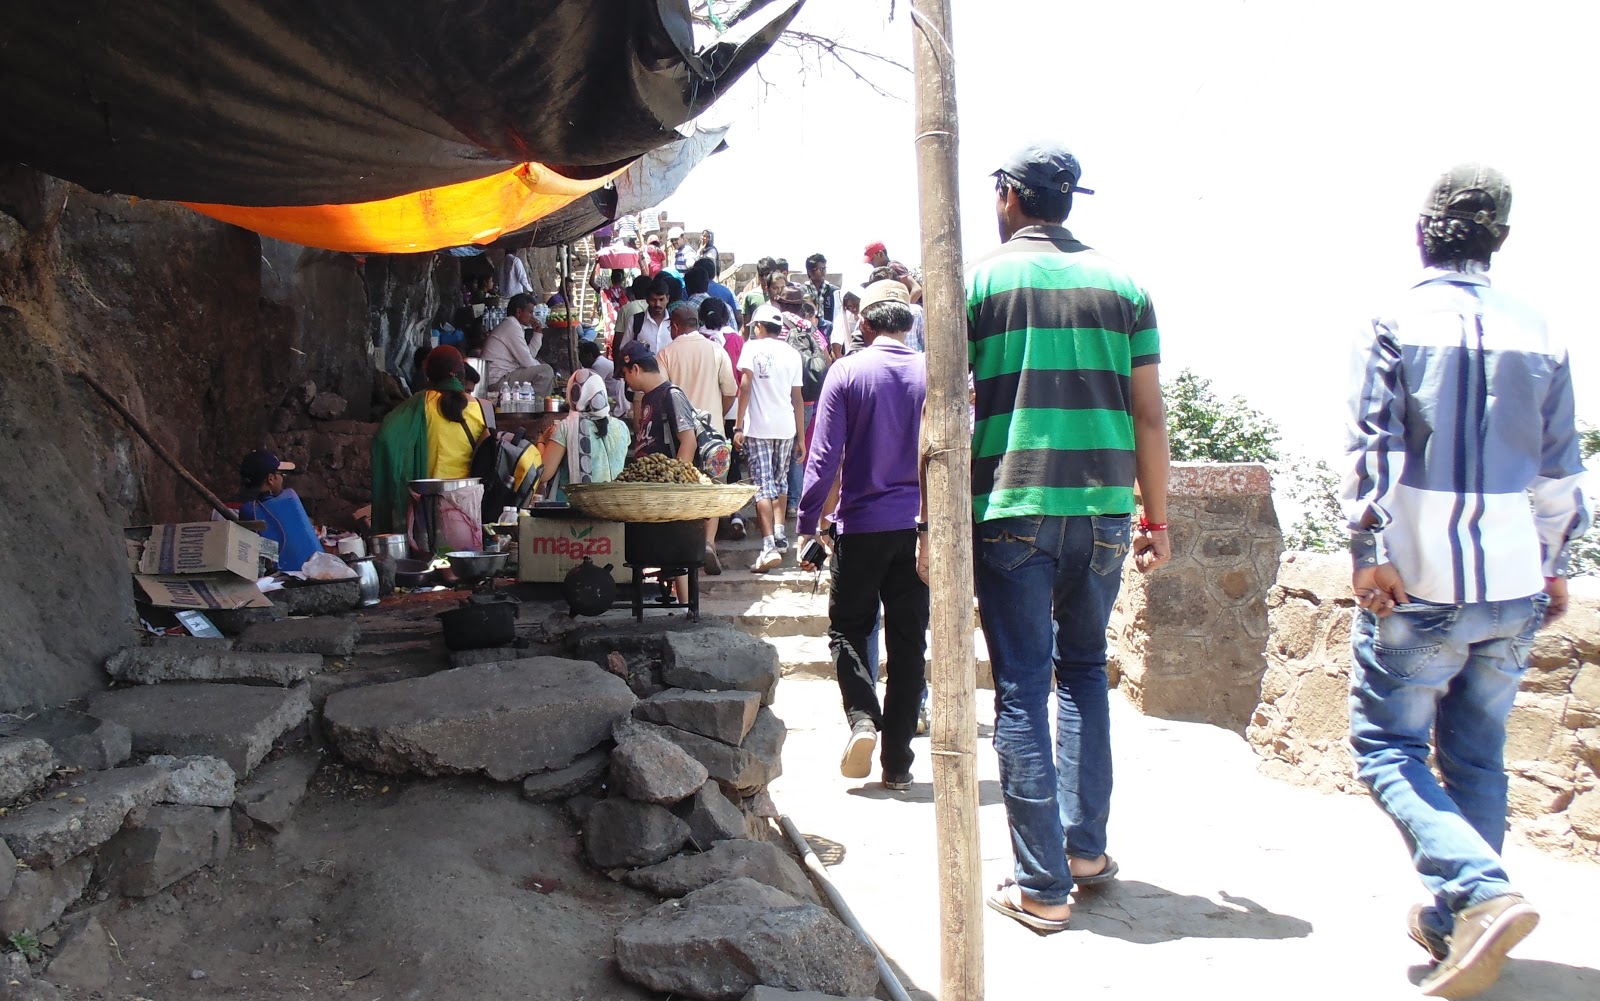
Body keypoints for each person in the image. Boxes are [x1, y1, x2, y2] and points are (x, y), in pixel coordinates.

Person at [1342, 165, 1589, 999]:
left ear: (1424, 229)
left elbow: (1373, 446)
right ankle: (1459, 924)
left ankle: (1480, 893)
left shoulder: (1395, 317)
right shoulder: (1541, 329)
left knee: (1386, 746)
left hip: (1420, 575)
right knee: (1479, 753)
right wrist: (1555, 562)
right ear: (1501, 239)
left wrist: (1365, 546)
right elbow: (1560, 469)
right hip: (1514, 572)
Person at [964, 142, 1170, 934]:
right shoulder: (1126, 286)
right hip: (1106, 513)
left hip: (1014, 507)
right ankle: (1084, 853)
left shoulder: (978, 281)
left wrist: (928, 520)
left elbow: (944, 408)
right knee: (1084, 672)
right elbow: (1149, 414)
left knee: (1021, 683)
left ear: (1012, 196)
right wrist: (1158, 518)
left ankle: (1042, 885)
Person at [797, 280, 928, 789]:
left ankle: (862, 720)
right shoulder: (930, 374)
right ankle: (897, 765)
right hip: (918, 529)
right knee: (908, 643)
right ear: (908, 323)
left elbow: (824, 457)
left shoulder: (847, 371)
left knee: (848, 630)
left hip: (862, 527)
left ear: (867, 325)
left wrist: (809, 523)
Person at [370, 346, 494, 541]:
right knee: (466, 562)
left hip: (428, 509)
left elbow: (385, 438)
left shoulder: (420, 405)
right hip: (469, 506)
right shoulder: (484, 408)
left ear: (428, 375)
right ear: (462, 375)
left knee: (431, 563)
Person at [660, 302, 738, 573]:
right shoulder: (717, 350)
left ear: (674, 326)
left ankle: (684, 548)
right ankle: (708, 543)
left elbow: (661, 396)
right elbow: (731, 390)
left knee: (683, 489)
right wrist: (716, 415)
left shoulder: (666, 354)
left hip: (680, 439)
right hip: (713, 438)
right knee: (714, 490)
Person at [734, 304, 806, 573]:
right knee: (780, 482)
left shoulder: (751, 347)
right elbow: (797, 397)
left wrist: (738, 425)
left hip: (759, 428)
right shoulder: (792, 353)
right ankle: (779, 534)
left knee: (762, 486)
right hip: (786, 426)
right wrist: (801, 437)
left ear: (758, 327)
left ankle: (768, 546)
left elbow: (745, 385)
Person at [536, 369, 631, 503]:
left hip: (572, 510)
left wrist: (541, 442)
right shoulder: (622, 428)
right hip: (613, 505)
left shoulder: (566, 427)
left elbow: (543, 474)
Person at [234, 450, 320, 572]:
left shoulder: (241, 508)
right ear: (271, 479)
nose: (282, 479)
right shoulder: (288, 501)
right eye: (281, 474)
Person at [479, 293, 554, 396]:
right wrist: (544, 370)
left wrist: (537, 334)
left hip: (503, 377)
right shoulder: (511, 326)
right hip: (498, 380)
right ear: (519, 312)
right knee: (546, 372)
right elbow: (527, 362)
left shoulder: (513, 326)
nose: (533, 317)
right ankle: (536, 407)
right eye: (530, 312)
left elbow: (528, 356)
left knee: (543, 370)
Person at [613, 278, 673, 360]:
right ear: (647, 300)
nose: (657, 304)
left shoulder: (675, 322)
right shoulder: (635, 321)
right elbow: (624, 350)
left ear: (668, 299)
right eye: (653, 300)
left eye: (661, 299)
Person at [580, 339, 628, 420]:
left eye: (581, 357)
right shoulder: (601, 362)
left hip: (617, 404)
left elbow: (594, 389)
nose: (580, 360)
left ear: (589, 355)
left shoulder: (598, 365)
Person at [612, 275, 653, 346]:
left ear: (633, 291)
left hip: (631, 353)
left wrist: (616, 356)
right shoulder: (656, 308)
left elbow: (618, 338)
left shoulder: (625, 309)